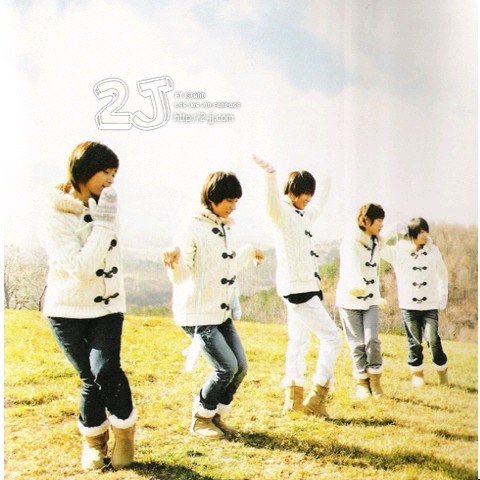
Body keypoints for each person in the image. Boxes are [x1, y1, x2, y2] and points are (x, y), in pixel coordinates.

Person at [38, 141, 136, 471]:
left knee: (105, 370)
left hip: (107, 306)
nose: (111, 180)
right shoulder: (53, 215)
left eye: (114, 174)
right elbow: (81, 268)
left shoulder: (104, 205)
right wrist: (104, 224)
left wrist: (105, 219)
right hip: (66, 310)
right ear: (83, 170)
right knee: (89, 378)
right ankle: (94, 442)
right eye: (105, 172)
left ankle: (125, 435)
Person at [163, 171, 264, 439]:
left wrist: (249, 251)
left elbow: (226, 268)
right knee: (226, 367)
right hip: (197, 314)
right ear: (212, 197)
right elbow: (182, 275)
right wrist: (173, 263)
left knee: (240, 367)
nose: (234, 206)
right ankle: (200, 419)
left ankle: (214, 416)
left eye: (236, 201)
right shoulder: (191, 227)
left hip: (219, 312)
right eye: (229, 200)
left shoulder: (222, 227)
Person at [252, 155, 341, 418]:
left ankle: (293, 400)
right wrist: (270, 176)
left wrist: (328, 179)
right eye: (305, 194)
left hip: (304, 288)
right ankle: (317, 398)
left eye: (310, 195)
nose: (308, 199)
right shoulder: (281, 214)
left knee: (299, 340)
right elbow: (270, 205)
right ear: (292, 191)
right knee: (332, 337)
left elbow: (319, 206)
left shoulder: (302, 215)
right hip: (298, 290)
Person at [380, 217, 449, 387]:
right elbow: (379, 246)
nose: (424, 235)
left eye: (426, 231)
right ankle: (417, 373)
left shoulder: (433, 251)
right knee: (414, 342)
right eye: (420, 232)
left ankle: (442, 370)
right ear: (411, 233)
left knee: (433, 339)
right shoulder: (398, 252)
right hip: (409, 305)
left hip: (430, 304)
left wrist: (443, 296)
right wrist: (394, 228)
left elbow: (442, 273)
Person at [336, 203, 386, 400]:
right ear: (366, 221)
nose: (382, 224)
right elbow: (351, 267)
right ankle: (361, 383)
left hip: (371, 299)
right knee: (357, 344)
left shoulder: (378, 243)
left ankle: (375, 380)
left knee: (372, 339)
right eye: (379, 220)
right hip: (350, 299)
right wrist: (357, 285)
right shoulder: (350, 242)